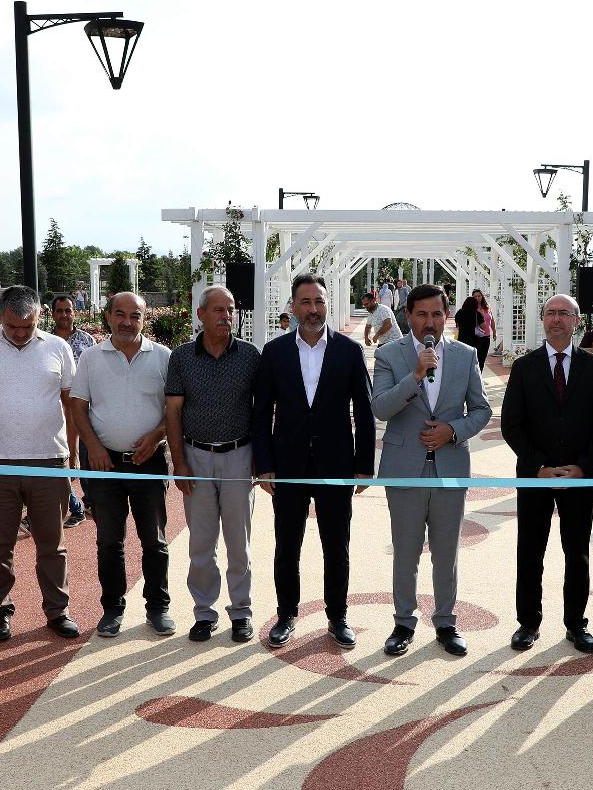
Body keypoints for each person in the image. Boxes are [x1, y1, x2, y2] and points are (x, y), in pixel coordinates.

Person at [252, 272, 374, 650]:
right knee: (287, 544)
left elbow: (364, 411)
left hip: (336, 464)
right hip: (287, 466)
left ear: (327, 305)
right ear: (293, 307)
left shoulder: (349, 351)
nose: (313, 309)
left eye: (319, 301)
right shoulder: (274, 352)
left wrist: (364, 464)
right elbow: (260, 413)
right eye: (305, 302)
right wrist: (264, 465)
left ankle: (337, 615)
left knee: (336, 545)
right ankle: (286, 614)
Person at [0, 285, 80, 642]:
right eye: (13, 326)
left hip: (49, 461)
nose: (21, 333)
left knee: (52, 545)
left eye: (28, 326)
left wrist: (71, 454)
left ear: (40, 316)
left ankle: (58, 611)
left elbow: (71, 404)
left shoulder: (58, 347)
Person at [373, 285, 491, 657]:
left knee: (446, 551)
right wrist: (414, 376)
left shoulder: (465, 355)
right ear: (408, 316)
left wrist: (452, 431)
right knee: (406, 551)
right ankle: (403, 623)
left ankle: (446, 622)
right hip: (404, 467)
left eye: (437, 314)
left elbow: (482, 410)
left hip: (450, 466)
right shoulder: (389, 354)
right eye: (422, 314)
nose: (430, 322)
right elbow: (380, 407)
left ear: (446, 316)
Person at [502, 294, 593, 652]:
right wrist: (538, 467)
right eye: (550, 313)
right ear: (543, 319)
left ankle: (576, 624)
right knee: (530, 551)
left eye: (564, 313)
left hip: (579, 477)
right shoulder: (525, 366)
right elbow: (511, 424)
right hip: (535, 476)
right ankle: (527, 623)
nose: (556, 319)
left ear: (577, 321)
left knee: (577, 553)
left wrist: (585, 466)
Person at [70, 292, 173, 640]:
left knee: (154, 540)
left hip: (149, 462)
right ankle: (112, 609)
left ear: (145, 319)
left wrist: (157, 436)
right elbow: (78, 407)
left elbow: (174, 410)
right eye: (120, 314)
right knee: (109, 542)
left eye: (135, 316)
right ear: (108, 316)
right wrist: (95, 448)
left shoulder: (163, 357)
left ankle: (157, 608)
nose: (127, 322)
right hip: (104, 464)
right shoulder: (91, 357)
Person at [165, 286, 261, 643]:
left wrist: (260, 458)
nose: (226, 316)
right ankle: (204, 613)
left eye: (231, 309)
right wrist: (179, 462)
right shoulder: (182, 357)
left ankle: (241, 612)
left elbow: (263, 409)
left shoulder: (250, 356)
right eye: (218, 309)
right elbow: (173, 412)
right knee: (201, 544)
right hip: (196, 458)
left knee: (239, 543)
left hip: (239, 457)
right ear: (200, 314)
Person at [50, 295, 98, 529]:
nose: (64, 315)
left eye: (68, 310)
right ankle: (73, 505)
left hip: (84, 409)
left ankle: (90, 502)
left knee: (86, 458)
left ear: (74, 312)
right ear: (52, 314)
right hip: (54, 410)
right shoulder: (44, 341)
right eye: (59, 311)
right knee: (56, 460)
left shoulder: (87, 341)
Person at [475, 291, 496, 370]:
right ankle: (476, 374)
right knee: (477, 357)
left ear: (482, 296)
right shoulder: (473, 308)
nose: (477, 298)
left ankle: (480, 374)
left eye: (479, 296)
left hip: (487, 336)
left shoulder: (487, 307)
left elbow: (492, 320)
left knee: (483, 357)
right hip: (477, 336)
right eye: (475, 296)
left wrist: (494, 332)